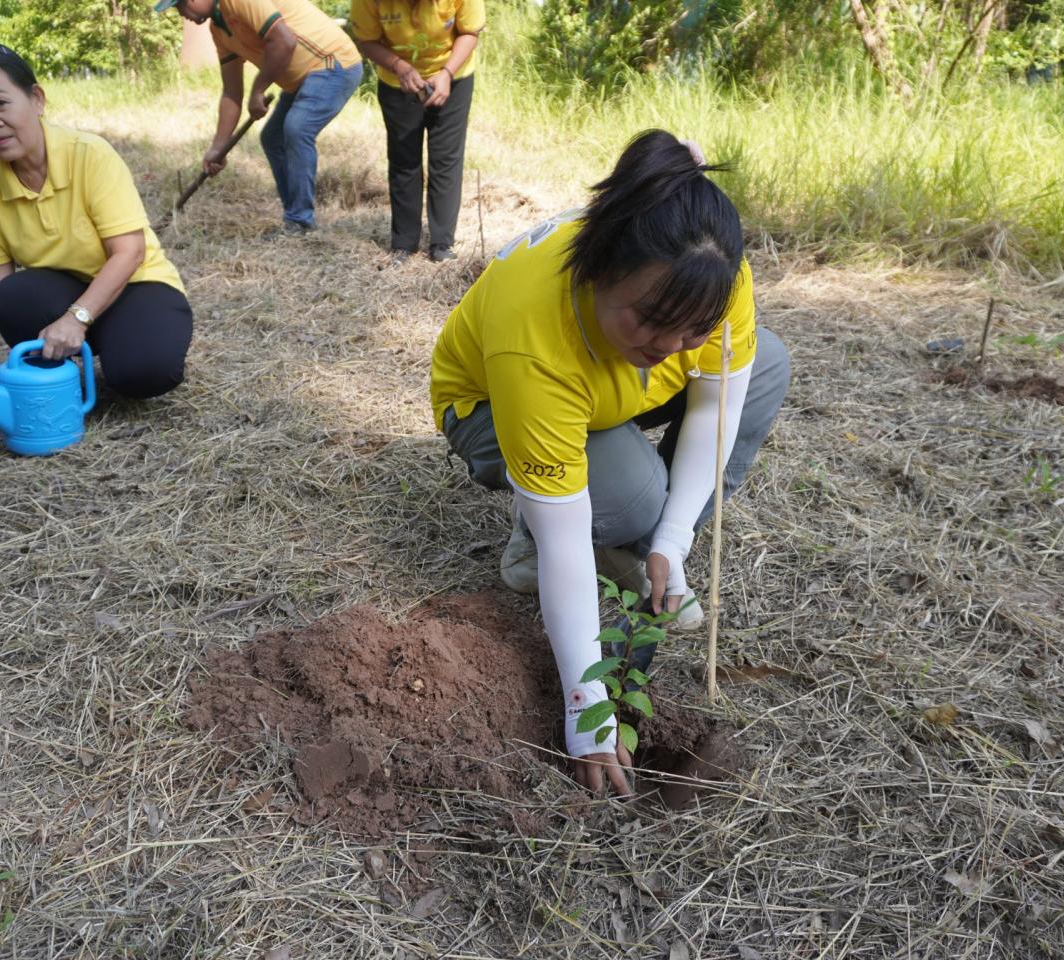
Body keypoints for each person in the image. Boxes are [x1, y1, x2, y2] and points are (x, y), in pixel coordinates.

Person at [430, 131, 791, 796]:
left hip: (604, 396)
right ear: (599, 274)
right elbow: (569, 547)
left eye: (695, 330)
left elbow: (714, 410)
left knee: (764, 361)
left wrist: (675, 544)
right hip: (489, 408)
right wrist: (588, 714)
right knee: (630, 498)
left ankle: (642, 545)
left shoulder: (712, 271)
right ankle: (532, 530)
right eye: (652, 320)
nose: (675, 346)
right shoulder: (533, 337)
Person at [0, 44, 192, 400]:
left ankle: (118, 344)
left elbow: (129, 251)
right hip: (61, 290)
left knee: (144, 373)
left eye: (0, 103)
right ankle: (62, 372)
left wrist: (77, 318)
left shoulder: (89, 154)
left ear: (36, 100)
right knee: (9, 297)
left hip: (136, 284)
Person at [160, 0, 363, 235]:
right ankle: (295, 217)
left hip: (332, 64)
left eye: (181, 6)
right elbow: (232, 91)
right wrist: (218, 147)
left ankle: (299, 221)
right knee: (272, 137)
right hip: (301, 78)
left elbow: (284, 41)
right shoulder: (219, 29)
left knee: (297, 129)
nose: (182, 14)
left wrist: (258, 90)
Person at [349, 0, 485, 263]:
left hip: (453, 77)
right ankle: (404, 243)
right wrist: (399, 66)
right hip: (397, 81)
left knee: (446, 159)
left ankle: (442, 243)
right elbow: (367, 40)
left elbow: (470, 32)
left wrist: (447, 72)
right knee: (404, 159)